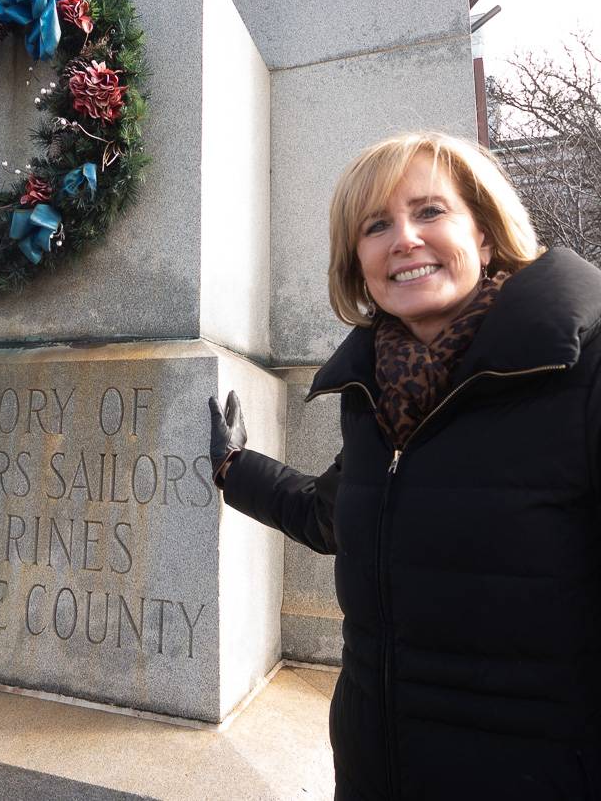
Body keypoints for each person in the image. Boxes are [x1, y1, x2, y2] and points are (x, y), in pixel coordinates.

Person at [209, 131, 601, 801]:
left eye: (429, 212)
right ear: (357, 261)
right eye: (376, 225)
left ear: (483, 234)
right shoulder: (375, 394)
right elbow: (330, 515)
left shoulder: (581, 371)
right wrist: (233, 468)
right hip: (372, 770)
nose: (404, 240)